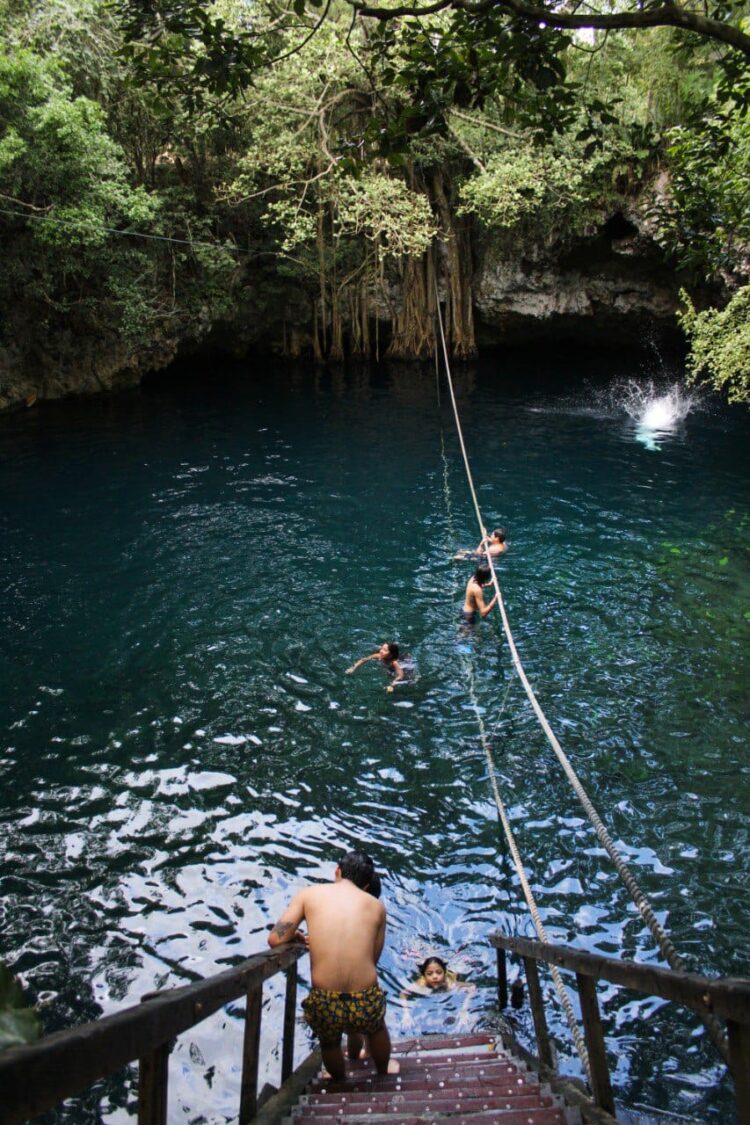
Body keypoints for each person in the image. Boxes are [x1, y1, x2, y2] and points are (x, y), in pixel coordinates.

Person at [267, 851, 397, 1081]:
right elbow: (373, 958)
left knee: (329, 1042)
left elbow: (275, 939)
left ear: (337, 871)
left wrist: (297, 936)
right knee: (376, 1028)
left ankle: (339, 1080)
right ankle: (383, 1071)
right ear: (367, 885)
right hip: (364, 995)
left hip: (325, 998)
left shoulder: (309, 895)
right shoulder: (376, 906)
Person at [399, 956, 476, 1030]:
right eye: (429, 974)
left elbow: (472, 987)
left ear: (444, 973)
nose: (435, 976)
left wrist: (464, 1010)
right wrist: (406, 1014)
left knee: (460, 968)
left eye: (439, 973)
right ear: (424, 975)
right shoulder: (420, 984)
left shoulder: (450, 984)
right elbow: (403, 994)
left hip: (452, 972)